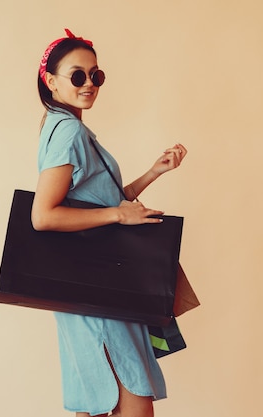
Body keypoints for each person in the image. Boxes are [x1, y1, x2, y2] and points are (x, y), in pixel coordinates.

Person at [31, 29, 187, 417]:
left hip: (92, 287)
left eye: (96, 75)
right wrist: (119, 213)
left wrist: (152, 173)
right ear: (50, 81)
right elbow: (44, 215)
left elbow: (95, 201)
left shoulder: (62, 126)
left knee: (100, 399)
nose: (89, 84)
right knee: (124, 398)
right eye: (77, 75)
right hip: (99, 291)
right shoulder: (68, 130)